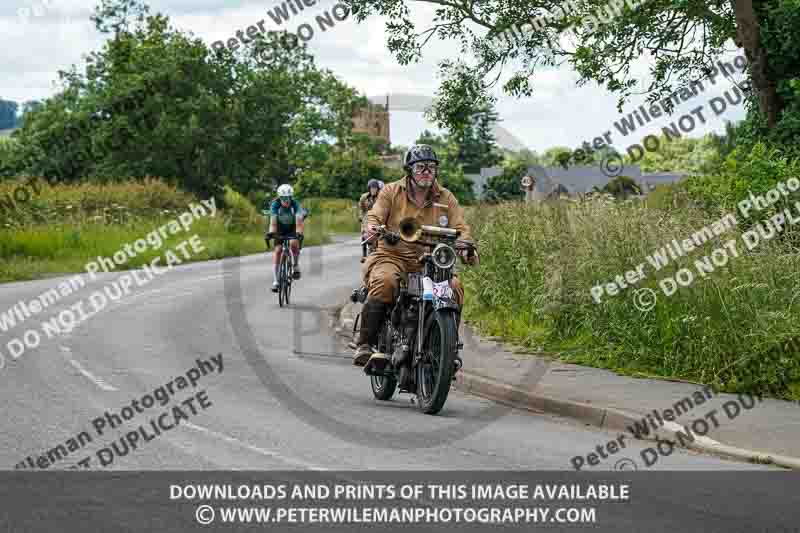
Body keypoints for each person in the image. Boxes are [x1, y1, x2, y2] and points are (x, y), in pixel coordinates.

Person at [353, 144, 479, 366]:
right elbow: (375, 215)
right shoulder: (391, 191)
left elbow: (461, 227)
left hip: (432, 261)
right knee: (385, 281)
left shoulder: (446, 197)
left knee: (455, 288)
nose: (426, 172)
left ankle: (446, 348)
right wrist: (372, 228)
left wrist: (466, 246)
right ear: (409, 169)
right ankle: (365, 343)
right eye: (420, 167)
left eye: (431, 167)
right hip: (392, 256)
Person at [263, 184, 304, 293]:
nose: (286, 200)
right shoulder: (275, 205)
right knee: (278, 251)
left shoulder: (296, 205)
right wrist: (271, 233)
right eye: (284, 198)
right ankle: (276, 281)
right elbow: (273, 222)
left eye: (288, 198)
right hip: (279, 227)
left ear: (291, 197)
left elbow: (299, 222)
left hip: (292, 227)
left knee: (293, 244)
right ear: (279, 197)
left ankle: (295, 265)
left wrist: (299, 233)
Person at [358, 179, 383, 262]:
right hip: (367, 217)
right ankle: (364, 254)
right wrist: (361, 216)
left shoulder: (381, 197)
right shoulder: (364, 197)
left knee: (381, 233)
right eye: (372, 188)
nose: (373, 190)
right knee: (364, 234)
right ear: (369, 188)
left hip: (377, 218)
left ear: (378, 189)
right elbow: (361, 209)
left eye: (375, 188)